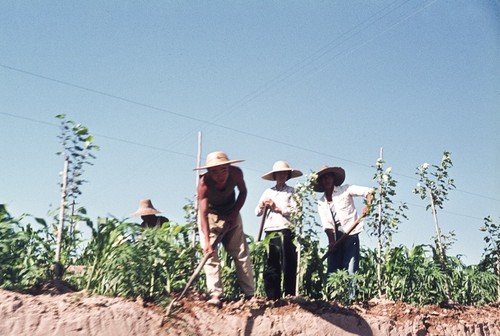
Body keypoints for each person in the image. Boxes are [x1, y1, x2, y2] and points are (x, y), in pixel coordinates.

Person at [195, 151, 255, 307]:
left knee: (241, 253)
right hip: (210, 217)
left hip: (231, 213)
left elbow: (243, 192)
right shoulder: (204, 184)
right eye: (214, 171)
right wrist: (207, 242)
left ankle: (250, 294)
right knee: (210, 256)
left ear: (229, 167)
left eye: (223, 169)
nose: (219, 175)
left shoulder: (236, 173)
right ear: (208, 172)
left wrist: (234, 213)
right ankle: (215, 294)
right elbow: (203, 213)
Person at [314, 166, 373, 277]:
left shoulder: (345, 190)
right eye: (324, 178)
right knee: (333, 269)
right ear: (321, 181)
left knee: (350, 268)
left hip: (351, 231)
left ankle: (350, 294)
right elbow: (327, 225)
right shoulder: (321, 202)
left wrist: (368, 206)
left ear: (333, 178)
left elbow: (368, 191)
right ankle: (334, 294)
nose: (327, 180)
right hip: (335, 234)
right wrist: (332, 242)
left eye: (329, 177)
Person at [255, 161, 302, 300]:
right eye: (279, 173)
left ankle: (289, 295)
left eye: (284, 173)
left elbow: (297, 212)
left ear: (287, 175)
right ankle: (272, 297)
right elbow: (256, 212)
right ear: (275, 176)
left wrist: (279, 209)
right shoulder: (268, 192)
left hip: (286, 230)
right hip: (270, 230)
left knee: (288, 263)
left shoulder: (292, 192)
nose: (281, 176)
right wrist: (263, 205)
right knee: (271, 264)